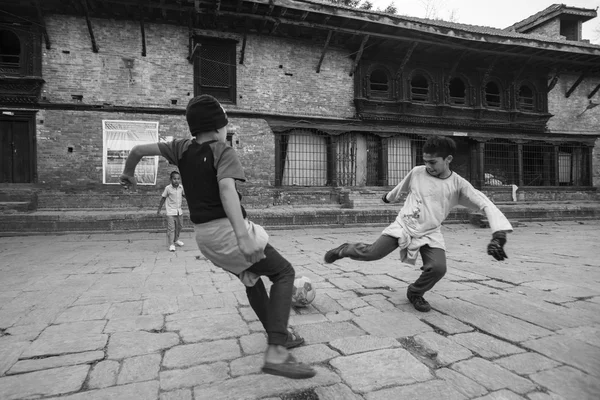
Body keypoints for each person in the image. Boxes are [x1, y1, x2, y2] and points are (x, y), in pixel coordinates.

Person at [119, 94, 315, 380]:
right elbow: (226, 190)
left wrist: (128, 173)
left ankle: (279, 336)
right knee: (284, 272)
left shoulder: (180, 148)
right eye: (225, 124)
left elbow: (137, 150)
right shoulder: (223, 151)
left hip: (205, 238)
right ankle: (277, 350)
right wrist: (243, 236)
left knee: (251, 278)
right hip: (227, 231)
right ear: (218, 127)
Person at [324, 136, 512, 312]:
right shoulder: (417, 172)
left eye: (433, 162)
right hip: (404, 226)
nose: (428, 166)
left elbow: (484, 202)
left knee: (438, 268)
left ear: (448, 159)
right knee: (372, 253)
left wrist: (499, 235)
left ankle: (415, 292)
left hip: (430, 232)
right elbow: (401, 187)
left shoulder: (458, 184)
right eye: (425, 161)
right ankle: (345, 249)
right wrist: (388, 198)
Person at [158, 170, 186, 252]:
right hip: (170, 212)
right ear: (171, 179)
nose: (176, 180)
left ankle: (176, 240)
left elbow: (184, 195)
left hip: (179, 212)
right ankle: (171, 244)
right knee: (171, 229)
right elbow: (163, 198)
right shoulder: (168, 188)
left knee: (180, 226)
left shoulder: (181, 188)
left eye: (178, 179)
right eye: (174, 179)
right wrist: (159, 209)